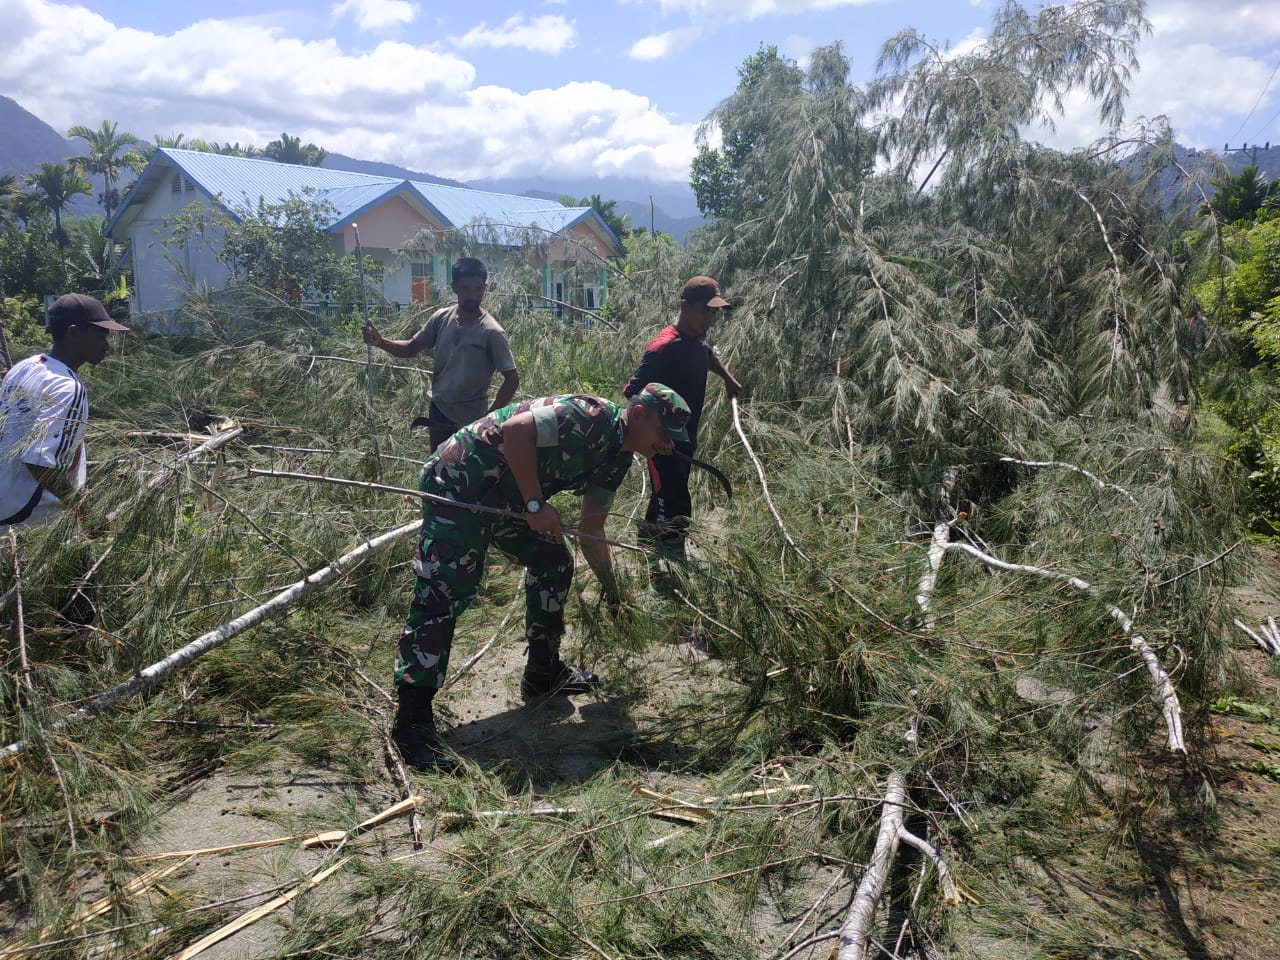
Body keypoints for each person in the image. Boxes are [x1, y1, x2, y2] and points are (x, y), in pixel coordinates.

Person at [391, 383, 692, 771]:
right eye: (664, 433)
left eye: (674, 439)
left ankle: (542, 671)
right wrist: (535, 503)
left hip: (506, 499)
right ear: (638, 415)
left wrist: (615, 593)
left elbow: (592, 529)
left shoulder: (617, 459)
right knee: (445, 589)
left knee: (554, 561)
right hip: (462, 480)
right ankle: (412, 721)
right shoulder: (592, 417)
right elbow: (517, 429)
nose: (668, 444)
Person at [623, 276, 742, 562]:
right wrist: (658, 437)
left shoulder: (696, 337)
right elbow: (632, 394)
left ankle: (649, 542)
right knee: (673, 499)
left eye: (714, 312)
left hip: (685, 437)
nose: (710, 317)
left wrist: (728, 379)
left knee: (671, 492)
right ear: (684, 307)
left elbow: (706, 353)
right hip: (662, 443)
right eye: (706, 310)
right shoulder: (665, 346)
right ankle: (668, 561)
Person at [0, 294, 128, 530]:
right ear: (73, 333)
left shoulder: (25, 367)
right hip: (30, 522)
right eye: (100, 336)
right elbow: (41, 463)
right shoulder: (68, 387)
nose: (107, 346)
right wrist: (87, 514)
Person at [363, 257, 520, 450]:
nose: (473, 295)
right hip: (438, 412)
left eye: (478, 288)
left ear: (484, 287)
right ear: (454, 287)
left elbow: (511, 378)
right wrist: (380, 342)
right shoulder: (441, 318)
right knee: (438, 473)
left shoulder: (492, 331)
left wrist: (489, 419)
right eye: (466, 288)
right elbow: (411, 348)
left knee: (463, 476)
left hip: (470, 421)